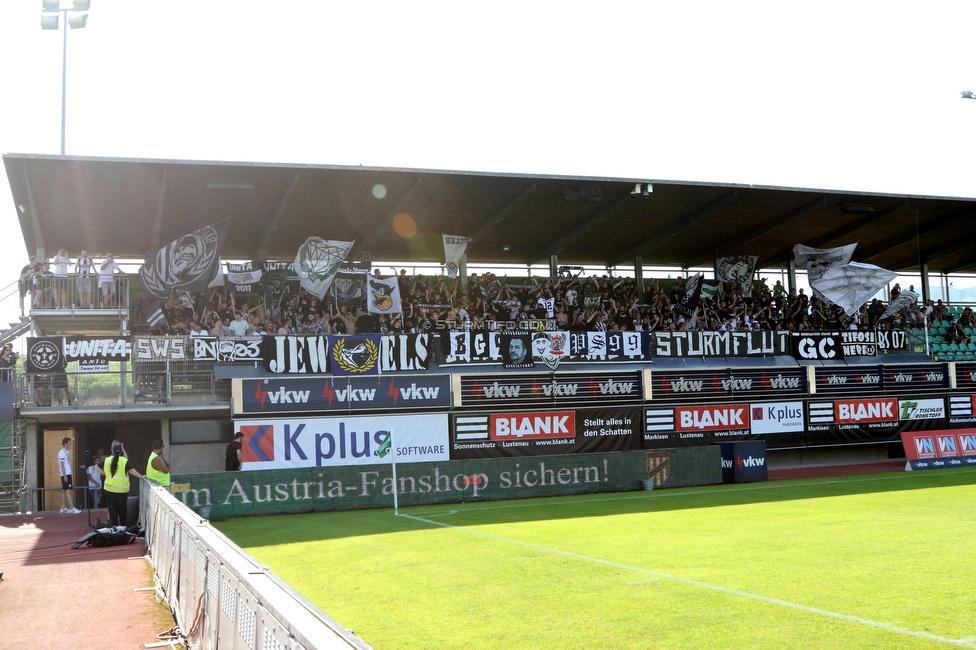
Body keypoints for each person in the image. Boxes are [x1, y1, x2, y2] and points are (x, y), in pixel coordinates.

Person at [98, 441, 143, 527]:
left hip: (109, 489)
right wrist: (140, 476)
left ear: (113, 451)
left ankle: (114, 525)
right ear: (121, 451)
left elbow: (97, 466)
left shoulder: (107, 459)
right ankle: (122, 525)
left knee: (112, 509)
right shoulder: (123, 460)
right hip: (121, 490)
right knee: (122, 509)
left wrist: (104, 473)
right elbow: (131, 470)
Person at [58, 437, 80, 514]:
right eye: (69, 443)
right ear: (65, 444)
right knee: (68, 490)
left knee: (64, 491)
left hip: (66, 473)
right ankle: (71, 507)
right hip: (66, 474)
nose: (71, 444)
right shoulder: (62, 453)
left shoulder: (65, 452)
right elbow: (62, 464)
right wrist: (64, 476)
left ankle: (63, 507)